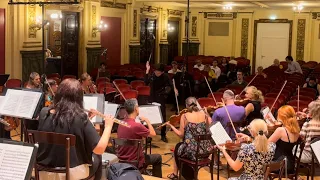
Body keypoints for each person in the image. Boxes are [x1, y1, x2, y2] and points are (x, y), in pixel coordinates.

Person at [37, 78, 114, 180]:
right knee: (97, 157)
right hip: (71, 174)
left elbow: (61, 125)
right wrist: (108, 126)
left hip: (43, 172)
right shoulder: (80, 118)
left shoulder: (44, 113)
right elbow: (99, 149)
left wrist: (86, 120)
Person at [165, 97, 213, 180]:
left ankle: (177, 174)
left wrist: (171, 126)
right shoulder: (204, 115)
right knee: (179, 146)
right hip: (205, 149)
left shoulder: (185, 116)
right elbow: (209, 125)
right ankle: (181, 174)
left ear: (186, 105)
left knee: (177, 148)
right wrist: (206, 113)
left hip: (193, 151)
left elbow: (181, 135)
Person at [117, 99, 162, 178]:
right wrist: (147, 121)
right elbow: (153, 134)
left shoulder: (121, 123)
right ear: (136, 108)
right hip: (135, 161)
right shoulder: (137, 126)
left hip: (122, 159)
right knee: (158, 158)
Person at [145, 61, 178, 143]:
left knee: (162, 117)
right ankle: (149, 135)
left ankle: (163, 135)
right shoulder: (152, 75)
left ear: (162, 72)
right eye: (156, 71)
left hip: (161, 98)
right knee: (150, 117)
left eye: (159, 72)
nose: (157, 73)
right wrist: (147, 70)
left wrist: (174, 89)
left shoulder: (165, 76)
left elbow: (170, 85)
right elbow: (146, 82)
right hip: (152, 98)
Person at [268, 105, 300, 173]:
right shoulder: (297, 130)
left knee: (258, 163)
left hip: (279, 164)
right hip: (290, 164)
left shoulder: (281, 130)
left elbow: (267, 144)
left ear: (282, 116)